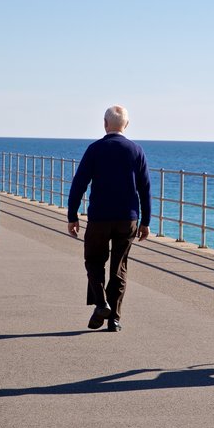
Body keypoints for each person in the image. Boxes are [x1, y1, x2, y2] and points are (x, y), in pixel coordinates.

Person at [67, 105, 151, 333]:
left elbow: (79, 184)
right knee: (119, 266)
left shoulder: (95, 149)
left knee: (94, 261)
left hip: (99, 217)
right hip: (128, 218)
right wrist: (146, 221)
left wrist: (72, 215)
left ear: (105, 124)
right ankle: (114, 318)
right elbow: (145, 189)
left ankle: (101, 304)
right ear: (127, 124)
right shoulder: (136, 150)